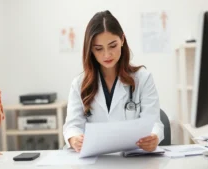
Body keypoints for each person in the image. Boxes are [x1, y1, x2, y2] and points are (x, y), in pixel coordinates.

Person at [63, 10, 164, 153]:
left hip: (132, 159)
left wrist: (154, 137)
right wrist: (74, 139)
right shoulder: (79, 84)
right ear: (90, 49)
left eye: (112, 46)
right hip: (95, 160)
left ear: (122, 40)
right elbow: (72, 126)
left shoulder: (143, 78)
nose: (107, 54)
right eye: (98, 49)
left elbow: (153, 122)